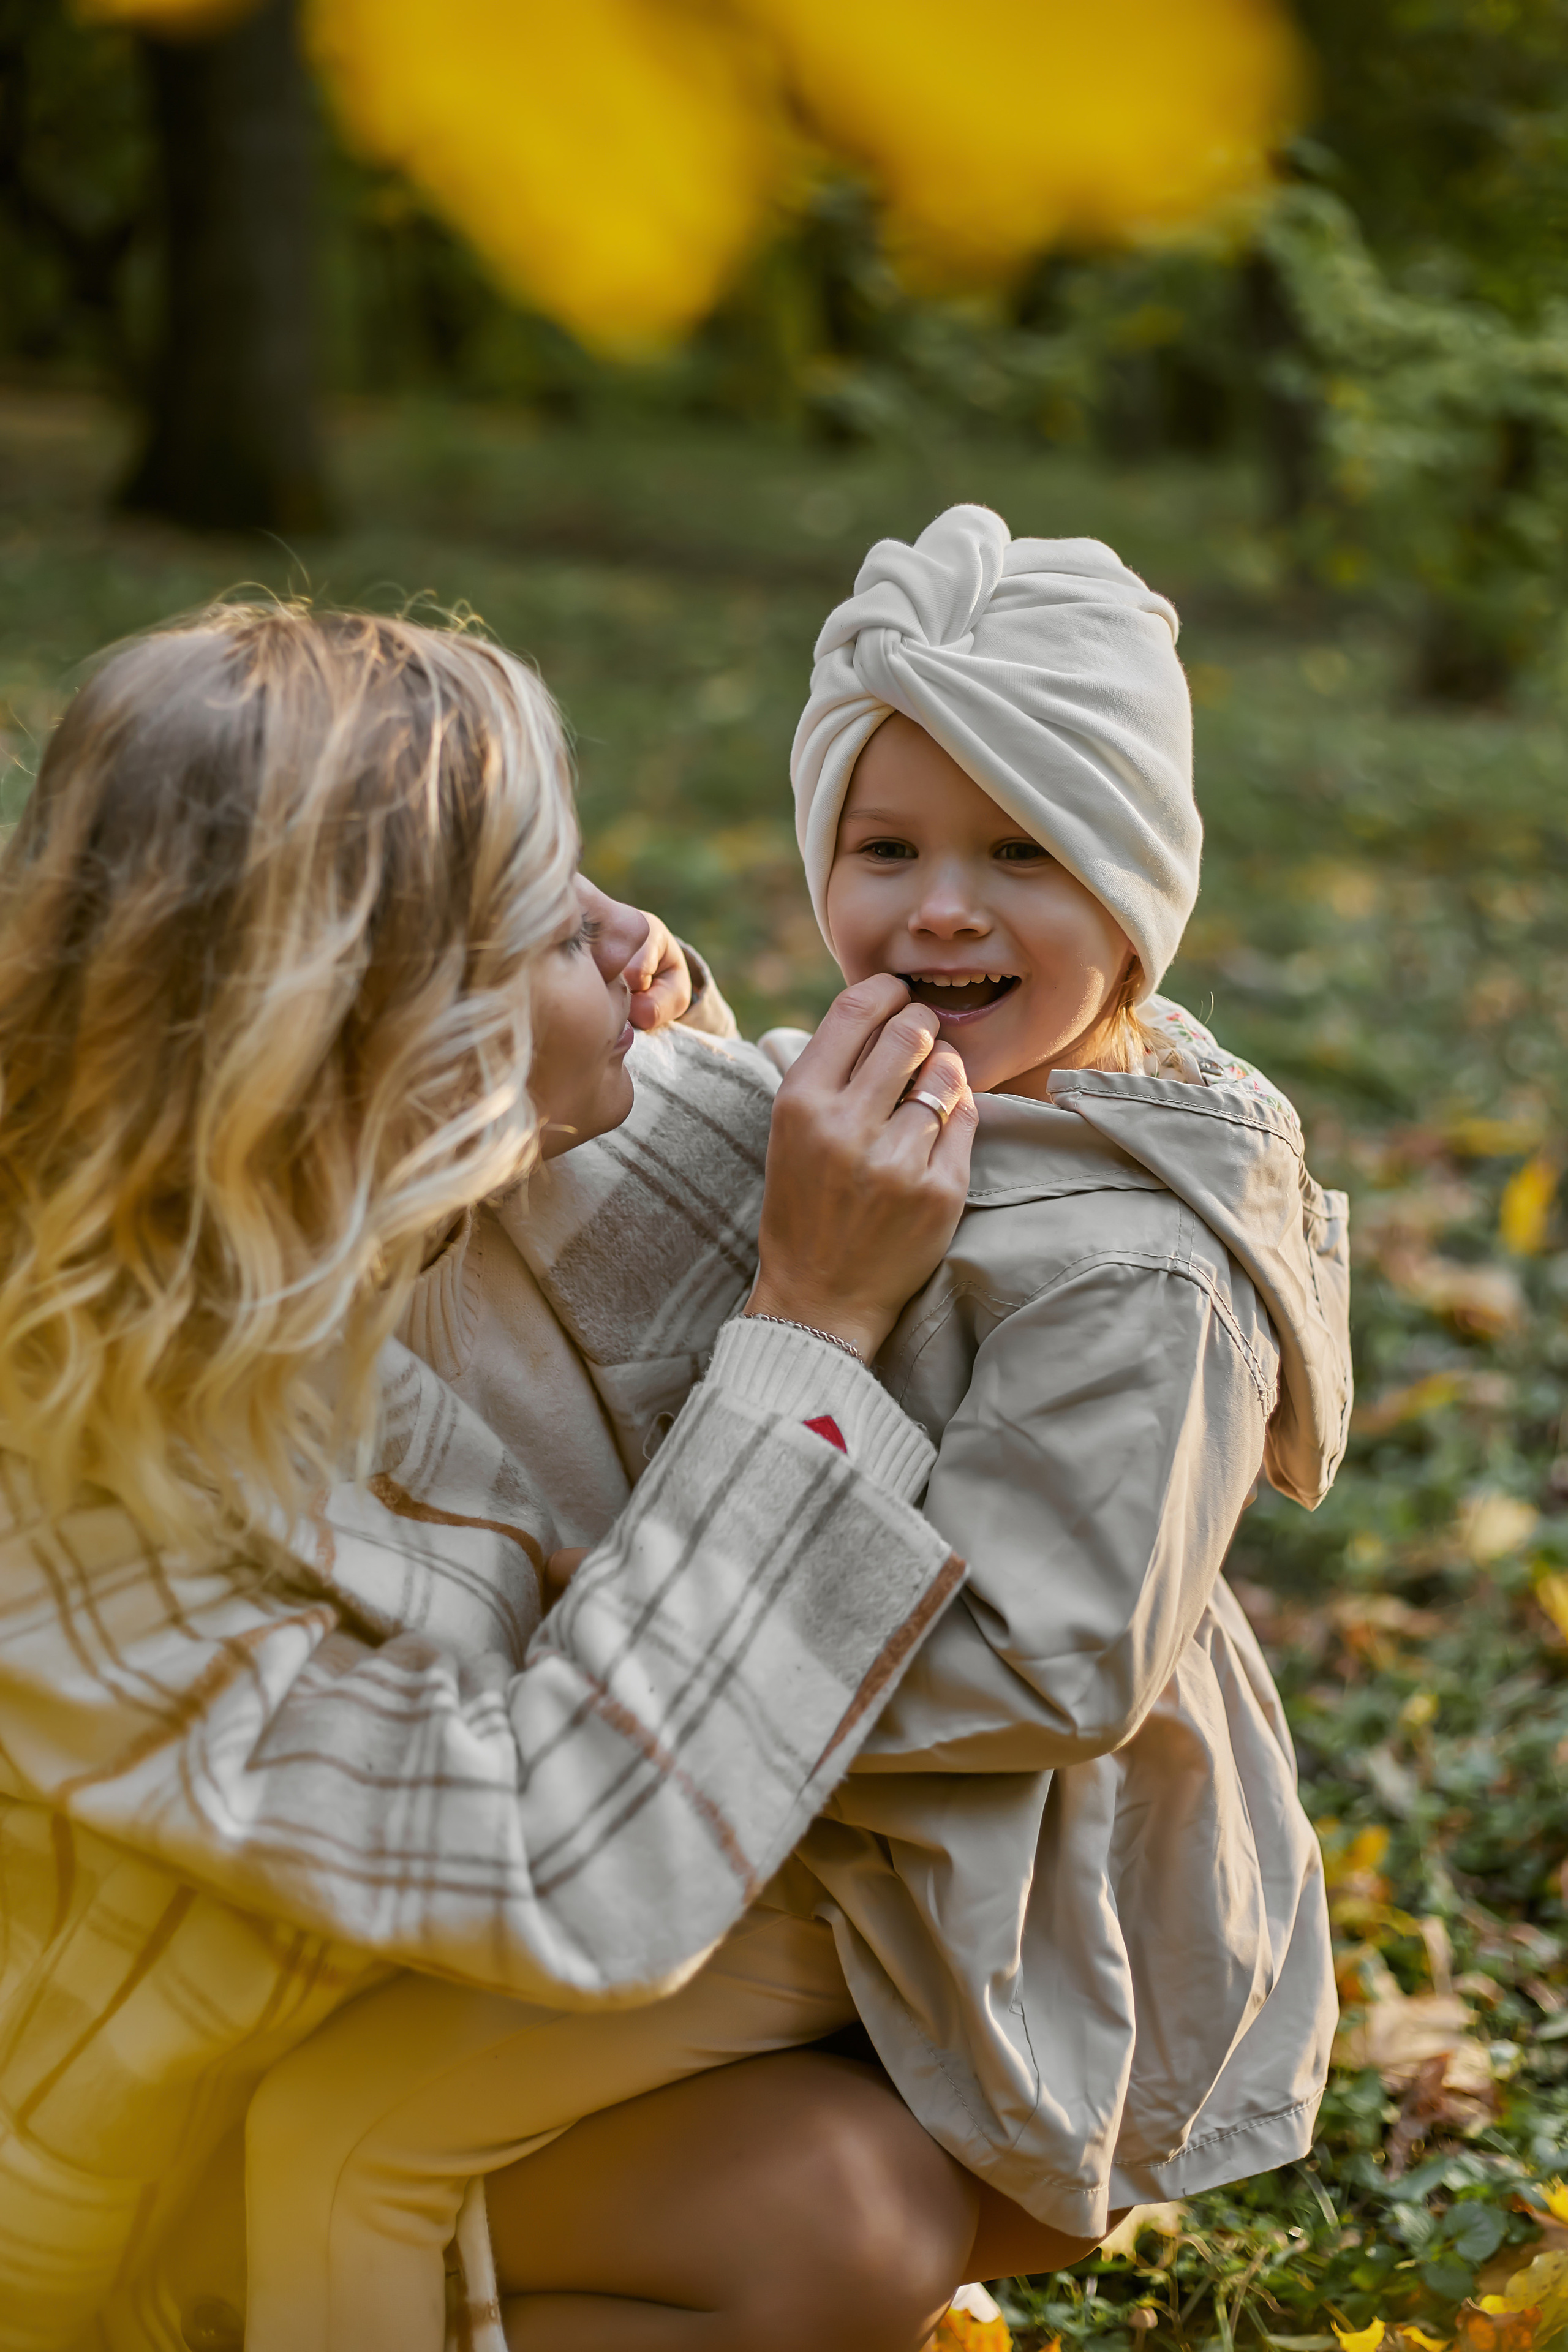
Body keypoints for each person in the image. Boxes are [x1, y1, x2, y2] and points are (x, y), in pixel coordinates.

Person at [241, 509, 1352, 2345]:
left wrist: (676, 1636)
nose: (940, 906)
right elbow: (761, 1254)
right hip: (809, 1830)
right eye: (885, 843)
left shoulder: (1144, 1270)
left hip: (923, 1876)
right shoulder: (943, 1084)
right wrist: (683, 1037)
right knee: (329, 2112)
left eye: (1024, 849)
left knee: (351, 2138)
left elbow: (1060, 1661)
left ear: (1140, 881)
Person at [0, 603, 986, 2352]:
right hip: (97, 2230)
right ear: (366, 1042)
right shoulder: (60, 1503)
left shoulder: (373, 1202)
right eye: (550, 925)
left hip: (349, 2057)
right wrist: (815, 1322)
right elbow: (562, 1871)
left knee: (895, 2164)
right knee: (833, 2214)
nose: (632, 940)